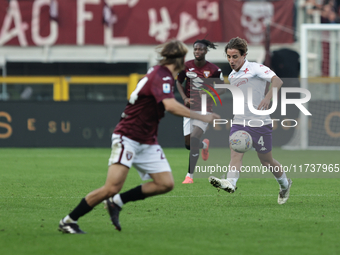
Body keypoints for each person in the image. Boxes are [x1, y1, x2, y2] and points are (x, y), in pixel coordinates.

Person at [58, 40, 220, 234]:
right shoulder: (162, 76)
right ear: (177, 59)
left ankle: (117, 202)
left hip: (146, 139)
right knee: (111, 187)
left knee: (165, 183)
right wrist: (203, 116)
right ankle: (69, 220)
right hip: (128, 135)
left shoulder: (159, 73)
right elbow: (170, 106)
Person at [208, 37, 292, 205]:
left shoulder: (255, 68)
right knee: (236, 154)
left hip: (260, 123)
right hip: (239, 121)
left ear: (244, 55)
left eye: (235, 56)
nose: (231, 60)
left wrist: (268, 98)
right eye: (228, 56)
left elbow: (278, 81)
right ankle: (231, 183)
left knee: (266, 160)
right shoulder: (232, 76)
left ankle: (285, 184)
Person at [176, 39, 225, 184]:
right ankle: (204, 145)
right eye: (195, 49)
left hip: (205, 110)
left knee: (194, 139)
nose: (198, 51)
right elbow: (178, 82)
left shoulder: (214, 70)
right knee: (188, 144)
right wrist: (184, 97)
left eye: (201, 49)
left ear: (206, 51)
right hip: (189, 109)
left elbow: (223, 87)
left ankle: (189, 176)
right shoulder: (186, 66)